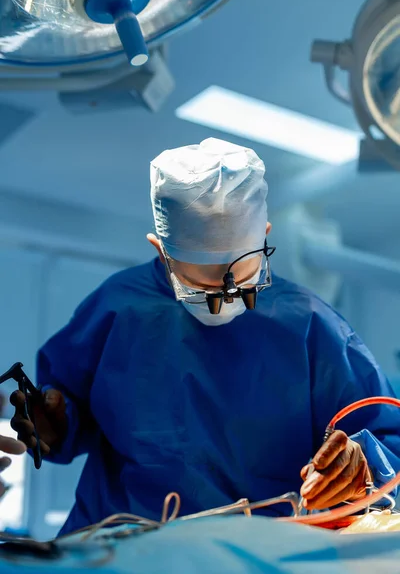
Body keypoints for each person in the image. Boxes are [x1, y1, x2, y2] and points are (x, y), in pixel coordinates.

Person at [10, 138, 400, 535]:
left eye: (242, 273)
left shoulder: (311, 325)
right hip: (118, 550)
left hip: (257, 554)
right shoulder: (116, 308)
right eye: (203, 280)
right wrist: (54, 427)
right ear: (161, 251)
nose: (225, 297)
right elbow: (67, 413)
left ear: (264, 237)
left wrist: (361, 461)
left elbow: (387, 439)